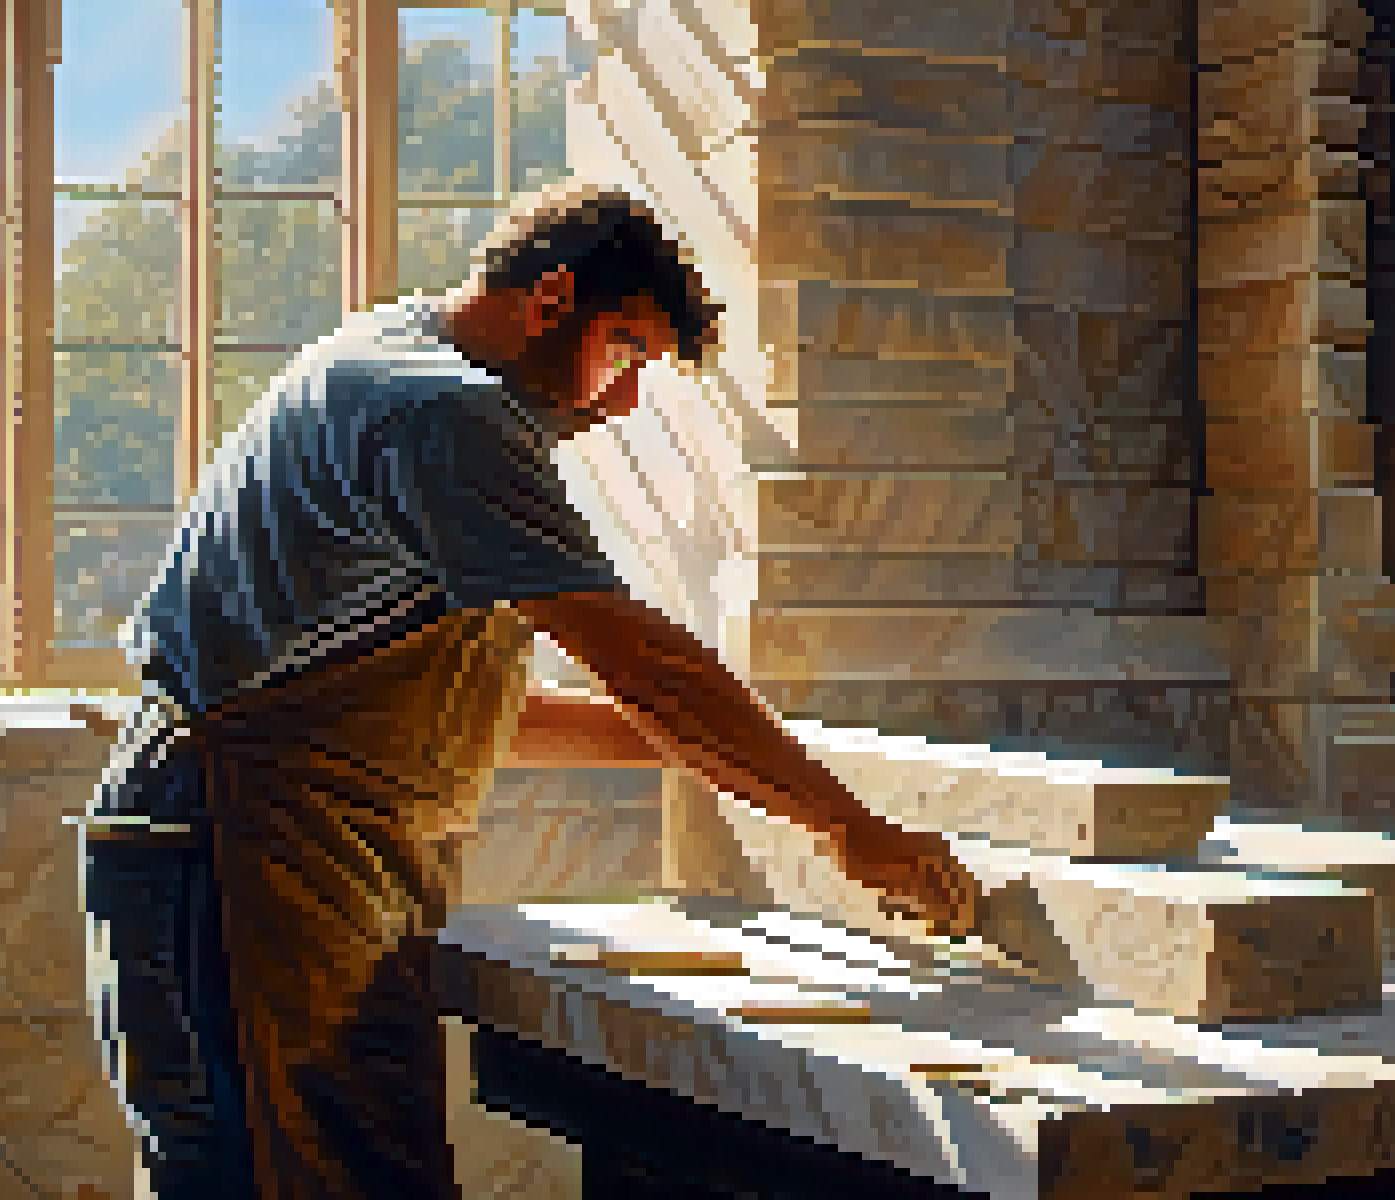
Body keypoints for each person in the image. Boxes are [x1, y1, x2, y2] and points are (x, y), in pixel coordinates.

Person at [81, 182, 982, 1200]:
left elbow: (437, 718)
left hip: (245, 843)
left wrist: (736, 752)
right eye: (625, 350)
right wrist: (847, 826)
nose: (622, 400)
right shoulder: (446, 410)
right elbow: (646, 666)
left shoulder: (384, 355)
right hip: (238, 851)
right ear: (552, 297)